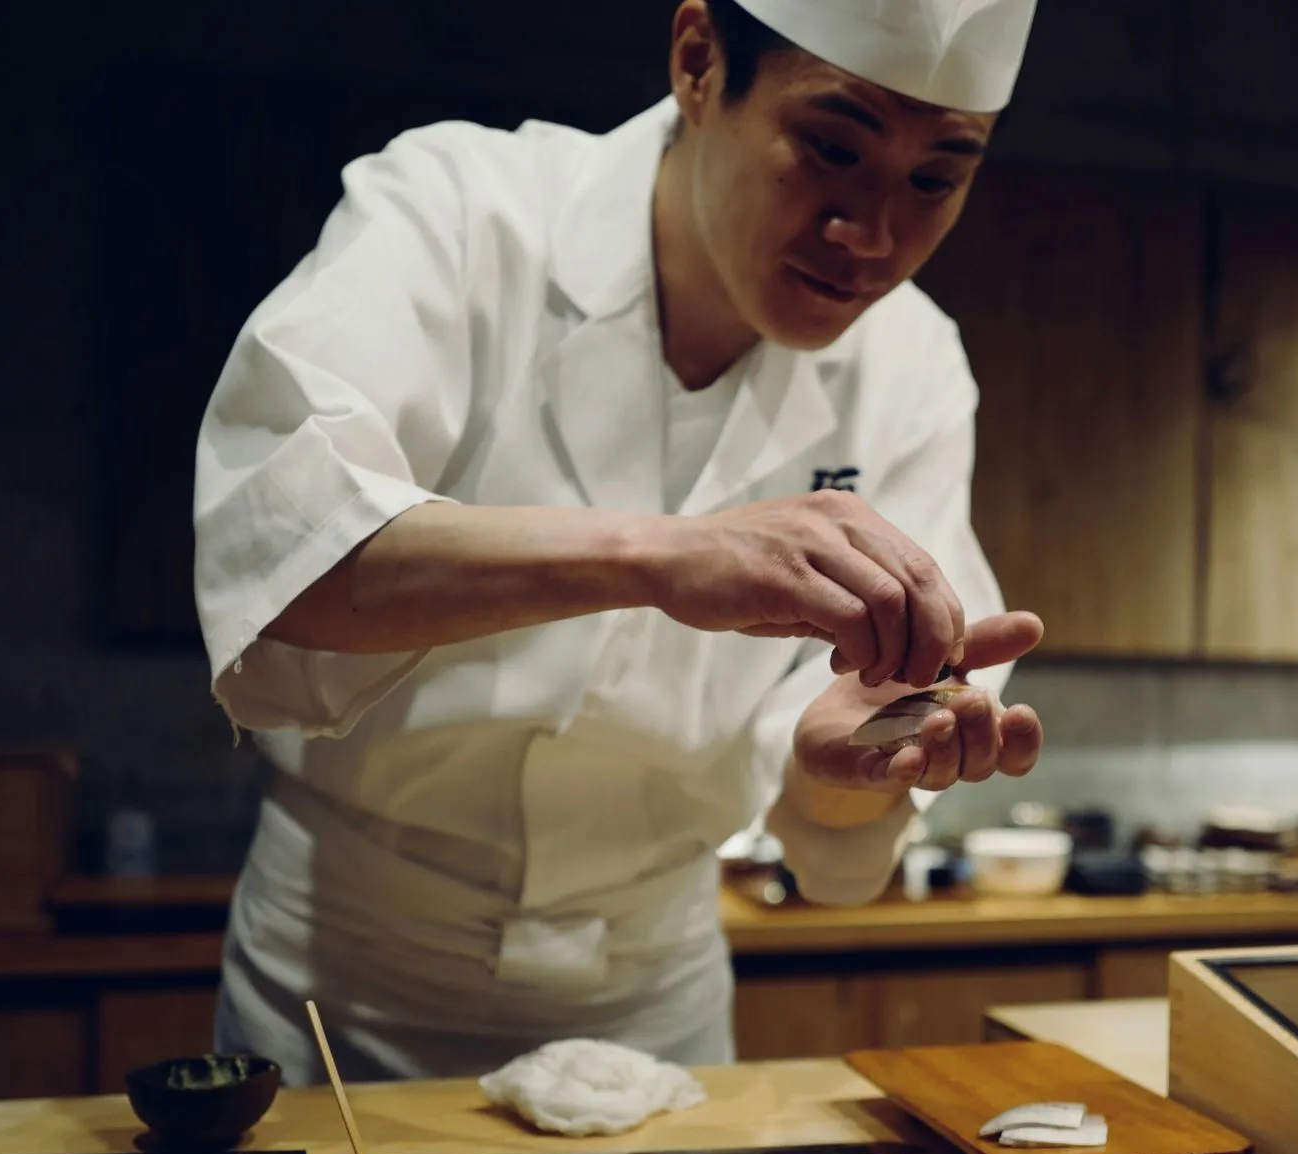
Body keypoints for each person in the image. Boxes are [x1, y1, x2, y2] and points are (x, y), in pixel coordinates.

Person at [192, 0, 1044, 1084]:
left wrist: (851, 770)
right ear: (698, 62)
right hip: (341, 984)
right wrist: (661, 556)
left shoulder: (914, 366)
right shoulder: (461, 210)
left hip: (653, 1005)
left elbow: (831, 789)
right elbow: (287, 548)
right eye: (832, 147)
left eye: (937, 177)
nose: (872, 234)